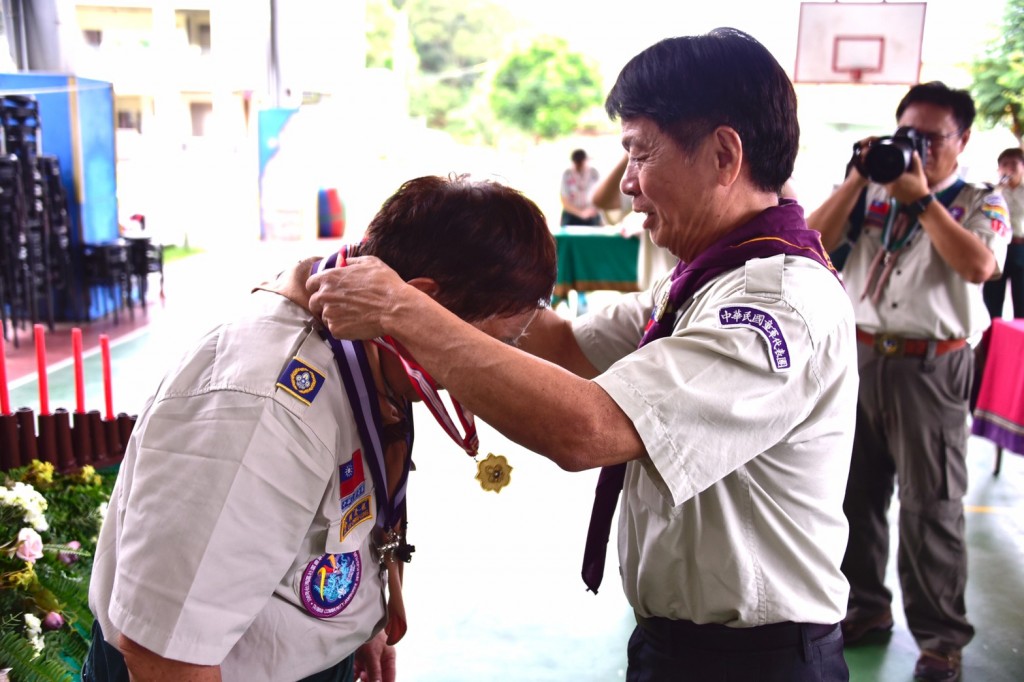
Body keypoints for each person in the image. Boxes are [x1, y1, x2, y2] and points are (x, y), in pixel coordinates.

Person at [308, 28, 857, 682]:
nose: (626, 185)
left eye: (639, 154)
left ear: (722, 154)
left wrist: (404, 309)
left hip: (754, 662)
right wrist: (451, 265)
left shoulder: (777, 304)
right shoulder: (704, 281)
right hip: (679, 646)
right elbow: (563, 341)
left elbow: (590, 429)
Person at [83, 175, 557, 682]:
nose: (497, 362)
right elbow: (166, 655)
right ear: (422, 302)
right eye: (494, 340)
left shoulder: (369, 347)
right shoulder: (263, 409)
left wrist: (355, 627)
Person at [807, 81, 1010, 682]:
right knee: (855, 497)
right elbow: (810, 241)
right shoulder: (870, 195)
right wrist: (856, 177)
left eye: (931, 137)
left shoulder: (980, 199)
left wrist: (921, 200)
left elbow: (978, 265)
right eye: (906, 136)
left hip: (934, 364)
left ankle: (941, 639)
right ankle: (866, 608)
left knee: (932, 507)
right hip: (861, 357)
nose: (916, 148)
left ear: (963, 139)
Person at [591, 152, 679, 290]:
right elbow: (601, 200)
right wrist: (632, 151)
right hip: (658, 293)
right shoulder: (644, 179)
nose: (627, 185)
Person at [982, 147, 1024, 319]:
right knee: (992, 299)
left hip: (1021, 247)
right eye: (1004, 164)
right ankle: (990, 341)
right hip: (998, 248)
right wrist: (998, 189)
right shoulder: (991, 192)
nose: (1009, 168)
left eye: (1014, 164)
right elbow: (986, 215)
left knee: (1022, 300)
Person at [559, 148, 603, 226]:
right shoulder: (567, 174)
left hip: (591, 213)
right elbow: (564, 200)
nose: (579, 165)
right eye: (577, 163)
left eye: (581, 162)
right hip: (571, 214)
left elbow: (602, 195)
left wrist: (591, 210)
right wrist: (580, 213)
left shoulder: (594, 173)